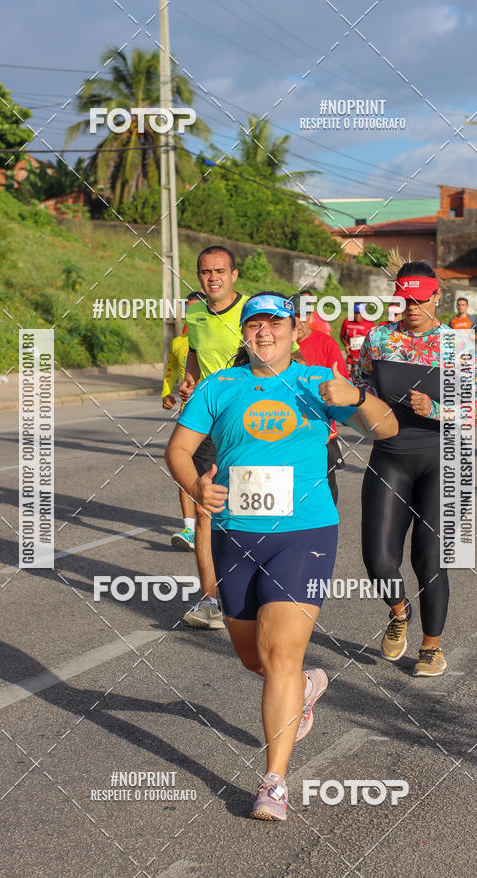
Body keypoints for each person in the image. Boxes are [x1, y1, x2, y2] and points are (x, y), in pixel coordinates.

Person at [165, 292, 398, 821]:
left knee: (280, 656)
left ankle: (274, 781)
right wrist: (197, 485)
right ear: (243, 333)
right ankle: (310, 687)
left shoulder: (317, 382)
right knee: (255, 659)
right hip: (234, 533)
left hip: (304, 532)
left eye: (275, 324)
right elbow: (178, 450)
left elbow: (386, 429)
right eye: (254, 325)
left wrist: (357, 394)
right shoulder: (219, 386)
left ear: (295, 331)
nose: (264, 333)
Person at [355, 258, 477, 677]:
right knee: (378, 560)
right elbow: (359, 385)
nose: (412, 308)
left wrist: (439, 409)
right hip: (390, 454)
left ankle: (432, 647)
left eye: (420, 300)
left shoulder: (455, 344)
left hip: (445, 458)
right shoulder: (378, 339)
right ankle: (400, 612)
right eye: (405, 300)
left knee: (430, 558)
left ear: (437, 297)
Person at [178, 247, 249, 628]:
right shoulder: (195, 312)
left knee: (248, 508)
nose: (212, 278)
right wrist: (190, 378)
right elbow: (193, 351)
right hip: (208, 421)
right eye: (205, 272)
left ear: (234, 274)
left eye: (220, 271)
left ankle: (260, 588)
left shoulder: (253, 311)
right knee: (205, 506)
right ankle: (210, 600)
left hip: (248, 423)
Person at [291, 293, 351, 505]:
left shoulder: (325, 343)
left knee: (326, 487)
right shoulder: (278, 345)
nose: (297, 321)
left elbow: (343, 383)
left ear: (310, 317)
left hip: (322, 430)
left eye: (301, 315)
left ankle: (326, 529)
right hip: (284, 429)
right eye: (292, 315)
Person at [161, 292, 205, 550]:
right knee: (185, 468)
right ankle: (190, 528)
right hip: (191, 414)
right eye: (188, 309)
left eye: (196, 308)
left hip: (222, 414)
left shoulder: (220, 335)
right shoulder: (179, 342)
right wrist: (166, 392)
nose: (192, 313)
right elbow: (170, 369)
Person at [340, 303, 375, 380]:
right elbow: (342, 336)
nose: (359, 315)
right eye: (356, 313)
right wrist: (346, 345)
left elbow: (374, 342)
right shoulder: (346, 322)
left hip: (364, 359)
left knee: (364, 381)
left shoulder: (370, 324)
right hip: (351, 358)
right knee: (349, 380)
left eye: (361, 313)